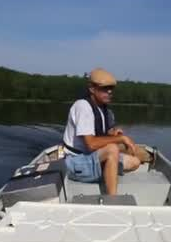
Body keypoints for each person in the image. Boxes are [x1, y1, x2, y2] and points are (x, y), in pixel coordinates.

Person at [62, 68, 148, 196]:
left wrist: (113, 133)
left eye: (111, 88)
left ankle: (107, 170)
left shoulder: (105, 110)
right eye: (104, 88)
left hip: (92, 157)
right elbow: (91, 144)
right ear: (91, 88)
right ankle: (112, 199)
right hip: (75, 162)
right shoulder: (83, 107)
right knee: (113, 149)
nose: (109, 92)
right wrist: (120, 139)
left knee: (135, 162)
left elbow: (103, 132)